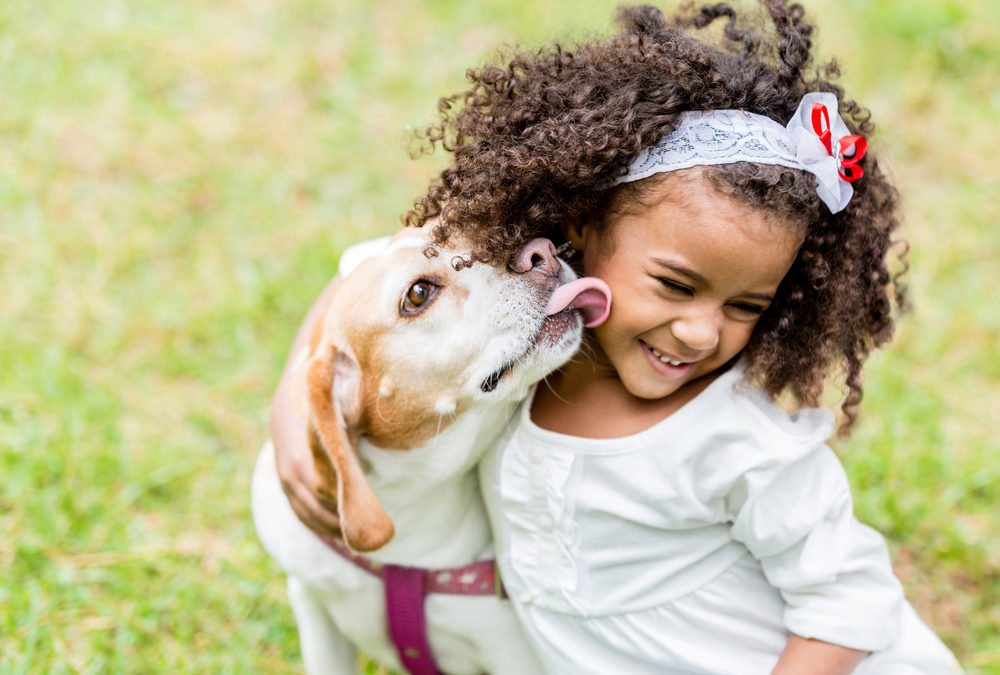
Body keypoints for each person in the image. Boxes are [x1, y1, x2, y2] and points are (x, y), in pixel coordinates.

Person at [270, 1, 962, 672]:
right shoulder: (523, 335)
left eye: (747, 305)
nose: (699, 329)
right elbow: (379, 275)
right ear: (580, 222)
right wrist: (304, 396)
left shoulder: (741, 445)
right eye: (676, 284)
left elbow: (851, 600)